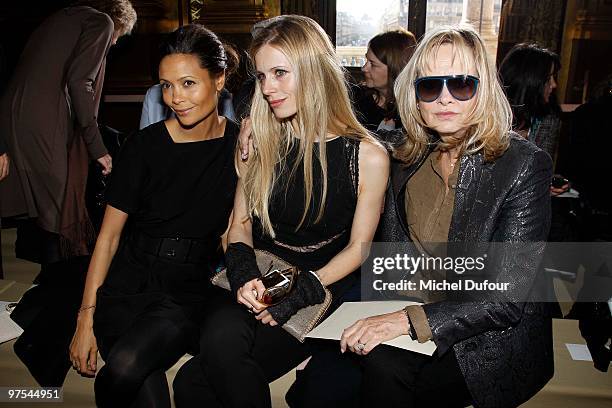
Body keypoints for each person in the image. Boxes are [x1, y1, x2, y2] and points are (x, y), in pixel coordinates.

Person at [292, 26, 555, 408]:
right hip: (404, 306)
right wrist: (257, 128)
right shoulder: (406, 155)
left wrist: (404, 320)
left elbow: (506, 297)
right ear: (415, 95)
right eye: (430, 86)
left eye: (462, 84)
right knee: (316, 390)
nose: (444, 99)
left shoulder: (523, 165)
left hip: (485, 336)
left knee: (382, 368)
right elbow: (338, 141)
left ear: (485, 89)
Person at [172, 15, 389, 408]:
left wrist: (304, 289)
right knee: (208, 358)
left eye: (280, 73)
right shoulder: (262, 138)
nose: (268, 88)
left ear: (314, 71)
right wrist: (243, 274)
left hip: (319, 282)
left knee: (194, 383)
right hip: (257, 270)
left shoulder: (368, 155)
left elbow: (359, 248)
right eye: (261, 76)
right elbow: (238, 223)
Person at [69, 24, 239, 408]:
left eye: (188, 83)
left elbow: (235, 231)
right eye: (166, 86)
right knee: (147, 395)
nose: (175, 98)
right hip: (127, 283)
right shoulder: (143, 147)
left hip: (186, 291)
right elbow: (109, 238)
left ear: (220, 78)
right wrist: (85, 318)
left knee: (125, 369)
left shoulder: (240, 146)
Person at [0, 0, 136, 261]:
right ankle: (59, 282)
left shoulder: (61, 17)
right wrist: (97, 147)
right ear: (119, 22)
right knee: (60, 210)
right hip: (44, 120)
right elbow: (81, 81)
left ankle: (49, 276)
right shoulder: (102, 22)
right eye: (120, 36)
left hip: (13, 117)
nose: (116, 43)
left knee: (42, 208)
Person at [499, 43, 569, 196]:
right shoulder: (489, 121)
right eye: (548, 78)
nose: (554, 84)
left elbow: (538, 171)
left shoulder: (547, 121)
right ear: (530, 81)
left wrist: (546, 183)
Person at [353, 29, 416, 131]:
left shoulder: (415, 112)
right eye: (366, 60)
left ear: (395, 70)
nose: (364, 68)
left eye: (372, 64)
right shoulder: (355, 97)